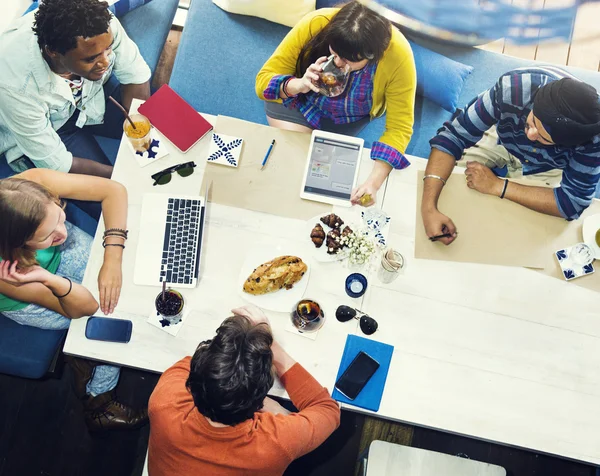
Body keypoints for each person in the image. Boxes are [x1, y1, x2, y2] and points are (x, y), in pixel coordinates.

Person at [0, 168, 147, 431]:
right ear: (17, 244)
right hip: (31, 294)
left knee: (125, 278)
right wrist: (50, 280)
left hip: (49, 261)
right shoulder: (5, 274)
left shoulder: (27, 186)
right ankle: (98, 400)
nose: (63, 232)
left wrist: (112, 257)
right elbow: (83, 308)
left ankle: (82, 359)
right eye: (47, 234)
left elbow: (114, 190)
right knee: (109, 321)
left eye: (59, 216)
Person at [256, 1, 416, 207]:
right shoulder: (317, 23)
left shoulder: (398, 54)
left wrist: (373, 183)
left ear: (373, 55)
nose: (338, 64)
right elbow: (262, 83)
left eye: (349, 60)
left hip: (347, 121)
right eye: (336, 53)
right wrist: (299, 85)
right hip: (297, 105)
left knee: (325, 179)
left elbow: (399, 127)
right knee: (299, 171)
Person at [148, 304, 341, 476]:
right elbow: (327, 409)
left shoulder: (165, 401)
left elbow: (197, 364)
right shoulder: (275, 442)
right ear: (259, 402)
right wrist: (269, 344)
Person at [421, 67, 600, 245]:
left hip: (549, 166)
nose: (530, 136)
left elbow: (572, 202)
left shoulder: (593, 140)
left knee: (528, 227)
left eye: (543, 137)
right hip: (503, 139)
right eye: (532, 123)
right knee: (452, 186)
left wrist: (498, 186)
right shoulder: (512, 89)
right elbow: (453, 135)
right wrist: (429, 209)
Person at [0, 0, 151, 180]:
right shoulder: (14, 85)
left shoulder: (102, 25)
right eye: (91, 59)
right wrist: (127, 179)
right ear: (53, 52)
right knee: (116, 196)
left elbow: (135, 76)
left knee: (165, 125)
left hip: (92, 95)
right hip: (53, 128)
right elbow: (58, 163)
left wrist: (141, 127)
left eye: (108, 49)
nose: (105, 61)